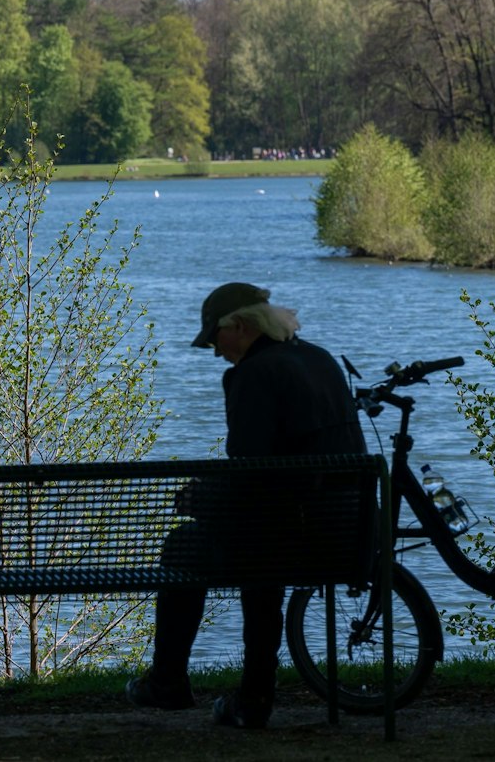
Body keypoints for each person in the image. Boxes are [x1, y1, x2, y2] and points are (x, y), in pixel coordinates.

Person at [125, 282, 367, 730]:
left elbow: (250, 469)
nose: (216, 352)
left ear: (238, 326)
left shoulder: (253, 375)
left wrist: (200, 501)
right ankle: (251, 695)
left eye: (215, 339)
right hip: (347, 533)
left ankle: (170, 682)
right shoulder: (320, 359)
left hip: (290, 537)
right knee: (260, 542)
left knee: (187, 546)